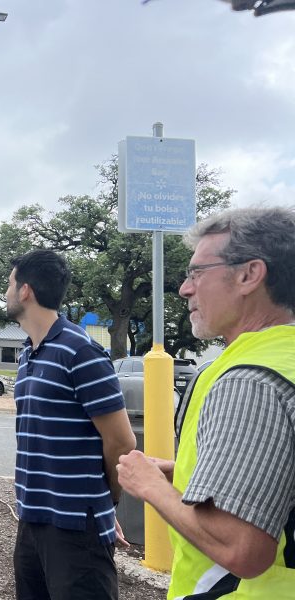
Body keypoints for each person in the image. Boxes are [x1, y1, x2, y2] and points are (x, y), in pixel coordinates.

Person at [117, 206, 295, 598]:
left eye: (197, 272)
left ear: (249, 274)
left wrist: (151, 486)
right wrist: (181, 472)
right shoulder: (285, 361)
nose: (185, 289)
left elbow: (241, 548)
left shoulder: (251, 380)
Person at [6, 249, 136, 600]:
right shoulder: (27, 353)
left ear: (25, 291)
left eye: (10, 283)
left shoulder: (80, 351)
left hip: (77, 530)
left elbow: (121, 443)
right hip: (32, 520)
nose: (7, 292)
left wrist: (102, 505)